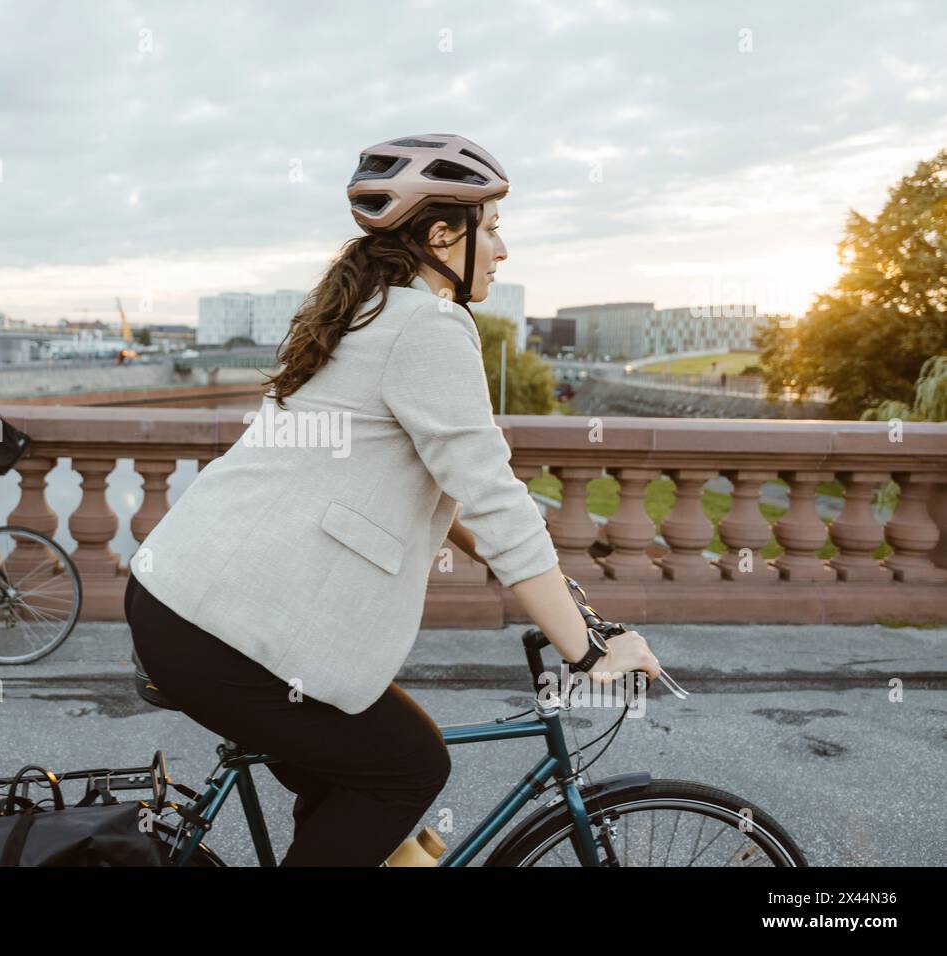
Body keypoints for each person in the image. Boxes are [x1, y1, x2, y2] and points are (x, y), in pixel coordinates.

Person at [124, 133, 663, 867]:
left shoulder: (369, 308)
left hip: (187, 601)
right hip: (224, 630)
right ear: (443, 235)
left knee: (355, 792)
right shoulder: (428, 326)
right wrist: (585, 651)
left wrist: (565, 600)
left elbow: (462, 501)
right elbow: (495, 498)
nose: (502, 251)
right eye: (493, 228)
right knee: (409, 769)